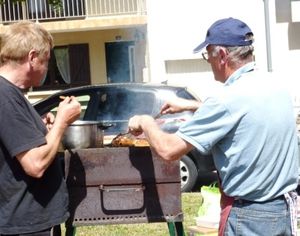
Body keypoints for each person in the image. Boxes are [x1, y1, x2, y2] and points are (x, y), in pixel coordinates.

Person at [128, 17, 299, 236]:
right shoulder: (275, 86)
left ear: (222, 55)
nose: (207, 60)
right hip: (281, 211)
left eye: (208, 54)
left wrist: (145, 121)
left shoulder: (226, 99)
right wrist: (192, 105)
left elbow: (169, 150)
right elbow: (245, 115)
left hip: (250, 219)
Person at [0, 21, 81, 235]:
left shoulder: (12, 94)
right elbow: (35, 164)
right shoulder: (5, 97)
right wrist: (62, 122)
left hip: (29, 222)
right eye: (46, 61)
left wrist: (44, 131)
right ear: (32, 57)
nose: (46, 69)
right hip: (23, 226)